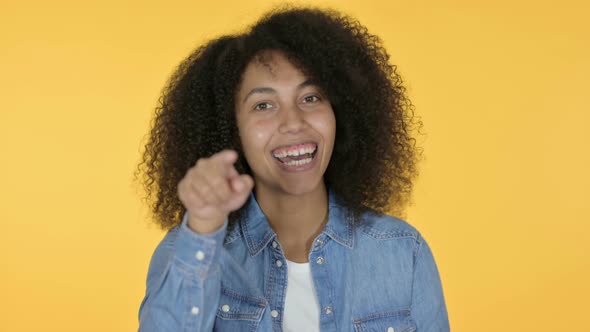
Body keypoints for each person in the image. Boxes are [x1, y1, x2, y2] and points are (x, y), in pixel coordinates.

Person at [135, 6, 450, 332]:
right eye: (264, 105)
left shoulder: (402, 251)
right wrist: (203, 227)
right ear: (231, 130)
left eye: (311, 97)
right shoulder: (188, 253)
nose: (293, 122)